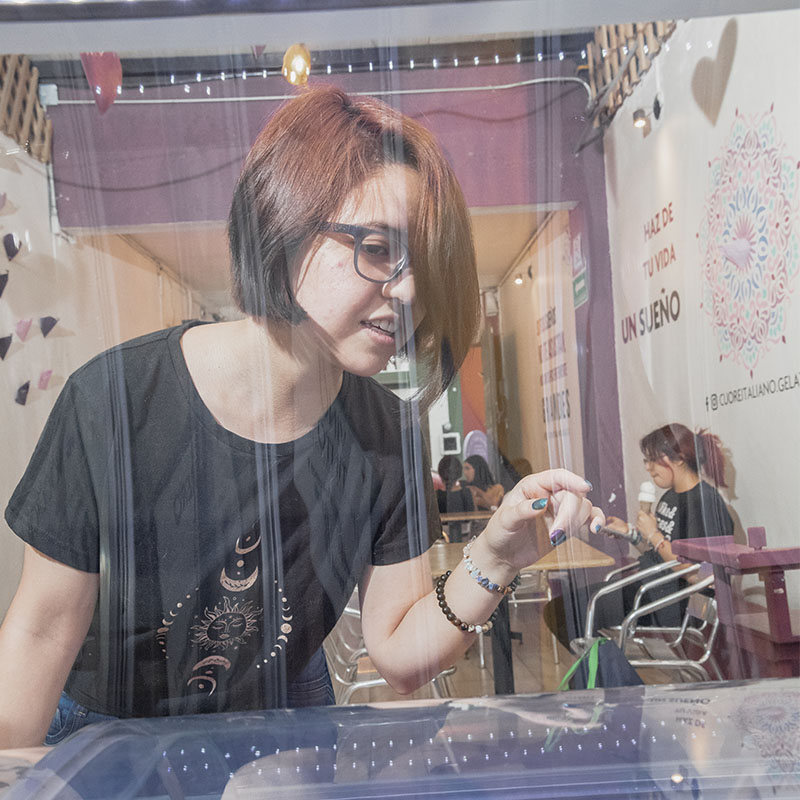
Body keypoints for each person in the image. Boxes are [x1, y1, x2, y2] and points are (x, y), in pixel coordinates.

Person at [0, 86, 604, 749]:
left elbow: (400, 650)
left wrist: (495, 554)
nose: (408, 291)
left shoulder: (387, 437)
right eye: (376, 248)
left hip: (278, 718)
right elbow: (42, 630)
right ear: (282, 225)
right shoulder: (113, 401)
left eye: (425, 267)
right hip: (105, 726)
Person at [546, 423, 733, 647]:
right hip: (648, 589)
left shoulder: (704, 503)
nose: (649, 467)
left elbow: (704, 576)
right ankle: (605, 671)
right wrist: (632, 534)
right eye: (647, 460)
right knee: (562, 611)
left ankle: (609, 674)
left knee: (567, 614)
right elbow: (661, 554)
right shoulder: (669, 497)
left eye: (655, 459)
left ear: (680, 458)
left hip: (669, 603)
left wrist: (653, 535)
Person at [436, 456, 474, 543]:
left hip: (443, 539)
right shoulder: (467, 492)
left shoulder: (436, 495)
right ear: (459, 473)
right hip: (466, 538)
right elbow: (473, 516)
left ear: (440, 474)